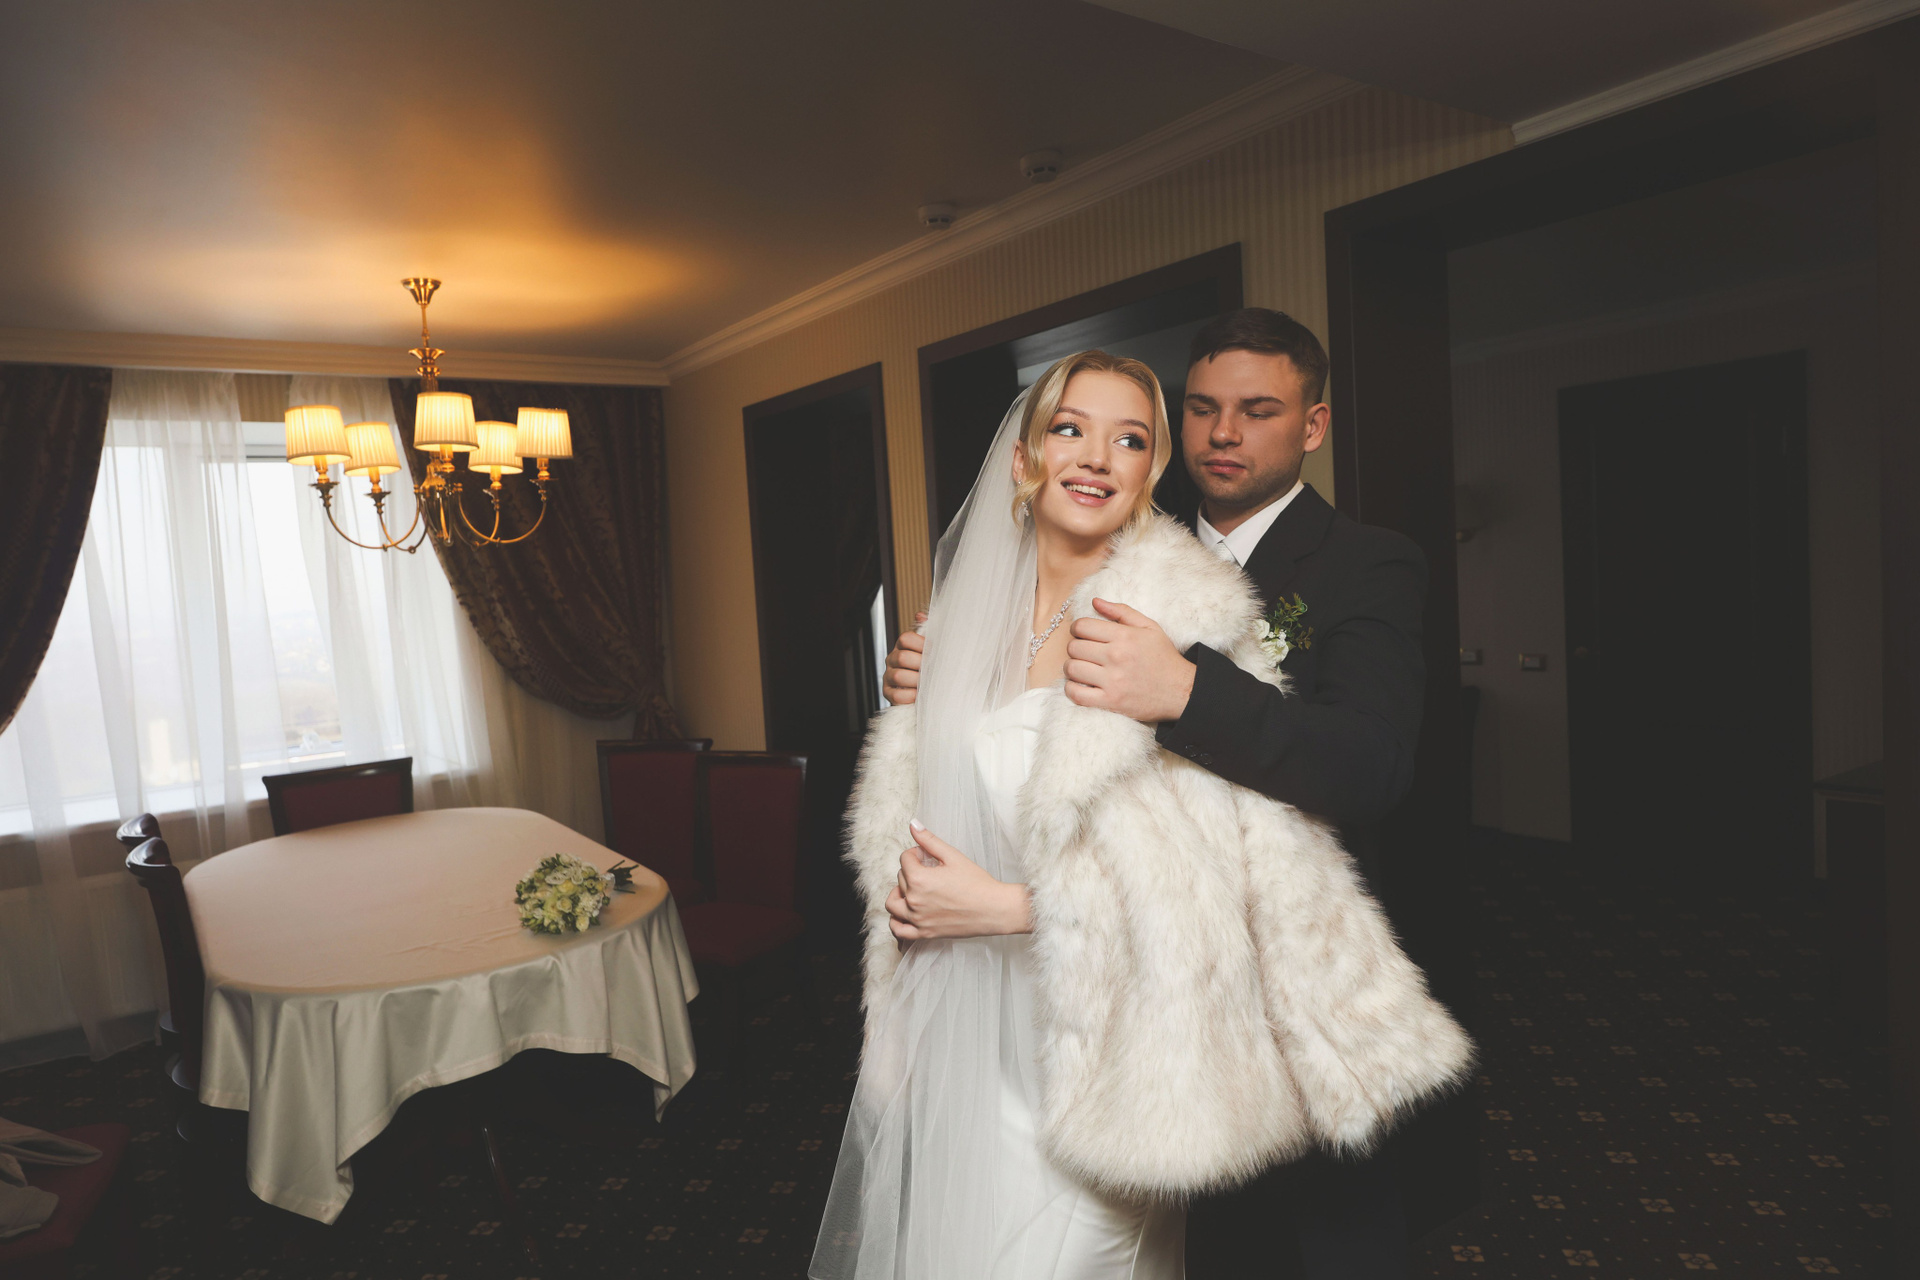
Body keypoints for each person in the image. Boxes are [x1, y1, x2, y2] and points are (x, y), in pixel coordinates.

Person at [824, 348, 1469, 1280]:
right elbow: (919, 821)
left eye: (1128, 439)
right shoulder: (956, 630)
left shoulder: (1171, 623)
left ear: (1147, 473)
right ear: (1024, 458)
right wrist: (926, 708)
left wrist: (1007, 909)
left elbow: (1208, 886)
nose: (1096, 456)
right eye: (1069, 429)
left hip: (1108, 1046)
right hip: (966, 1029)